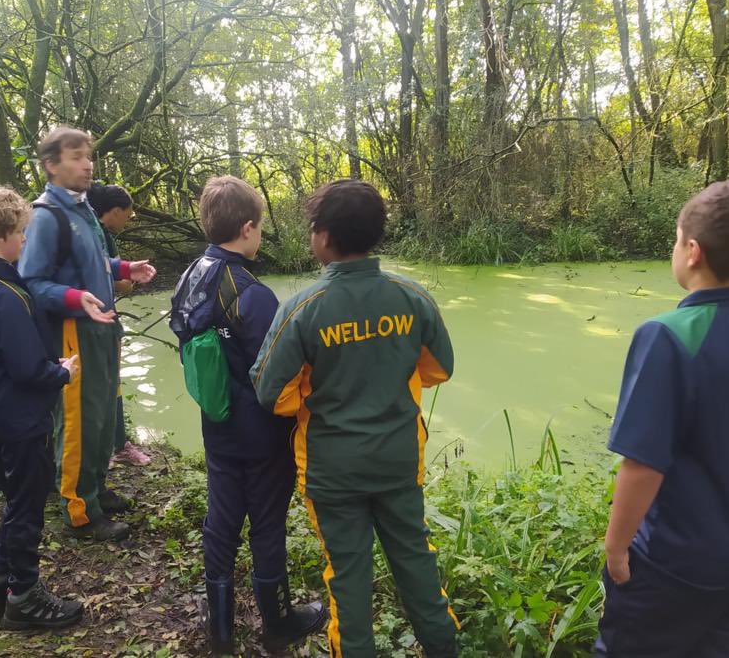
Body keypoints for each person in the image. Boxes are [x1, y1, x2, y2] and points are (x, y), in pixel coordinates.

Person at [251, 179, 460, 658]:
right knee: (416, 561)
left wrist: (314, 387)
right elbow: (439, 369)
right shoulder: (413, 297)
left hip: (332, 472)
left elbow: (270, 393)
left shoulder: (303, 309)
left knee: (347, 579)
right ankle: (444, 648)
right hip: (399, 461)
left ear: (323, 236)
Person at [596, 180, 729, 657]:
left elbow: (643, 464)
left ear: (692, 251)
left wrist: (616, 549)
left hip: (681, 562)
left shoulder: (668, 336)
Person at [170, 175, 325, 653]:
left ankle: (219, 630)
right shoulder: (252, 293)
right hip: (260, 433)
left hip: (216, 423)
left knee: (221, 518)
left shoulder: (191, 275)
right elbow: (274, 373)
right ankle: (277, 622)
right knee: (266, 523)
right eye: (260, 230)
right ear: (249, 227)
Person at [0, 186, 84, 630]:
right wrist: (62, 372)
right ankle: (24, 597)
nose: (25, 240)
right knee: (27, 508)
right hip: (22, 419)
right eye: (20, 233)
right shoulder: (3, 296)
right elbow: (28, 369)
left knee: (15, 500)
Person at [18, 126, 155, 541]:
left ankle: (95, 490)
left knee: (101, 415)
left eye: (88, 155)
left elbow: (96, 263)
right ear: (51, 165)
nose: (87, 164)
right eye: (76, 156)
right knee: (78, 420)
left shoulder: (84, 210)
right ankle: (79, 512)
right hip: (74, 331)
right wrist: (78, 299)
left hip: (103, 327)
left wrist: (126, 269)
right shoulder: (47, 216)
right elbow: (32, 282)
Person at [87, 182, 151, 466]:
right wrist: (132, 278)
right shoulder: (101, 234)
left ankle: (104, 447)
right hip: (100, 320)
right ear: (114, 211)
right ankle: (116, 446)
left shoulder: (84, 226)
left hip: (87, 319)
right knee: (111, 382)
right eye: (127, 214)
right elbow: (121, 283)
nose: (128, 220)